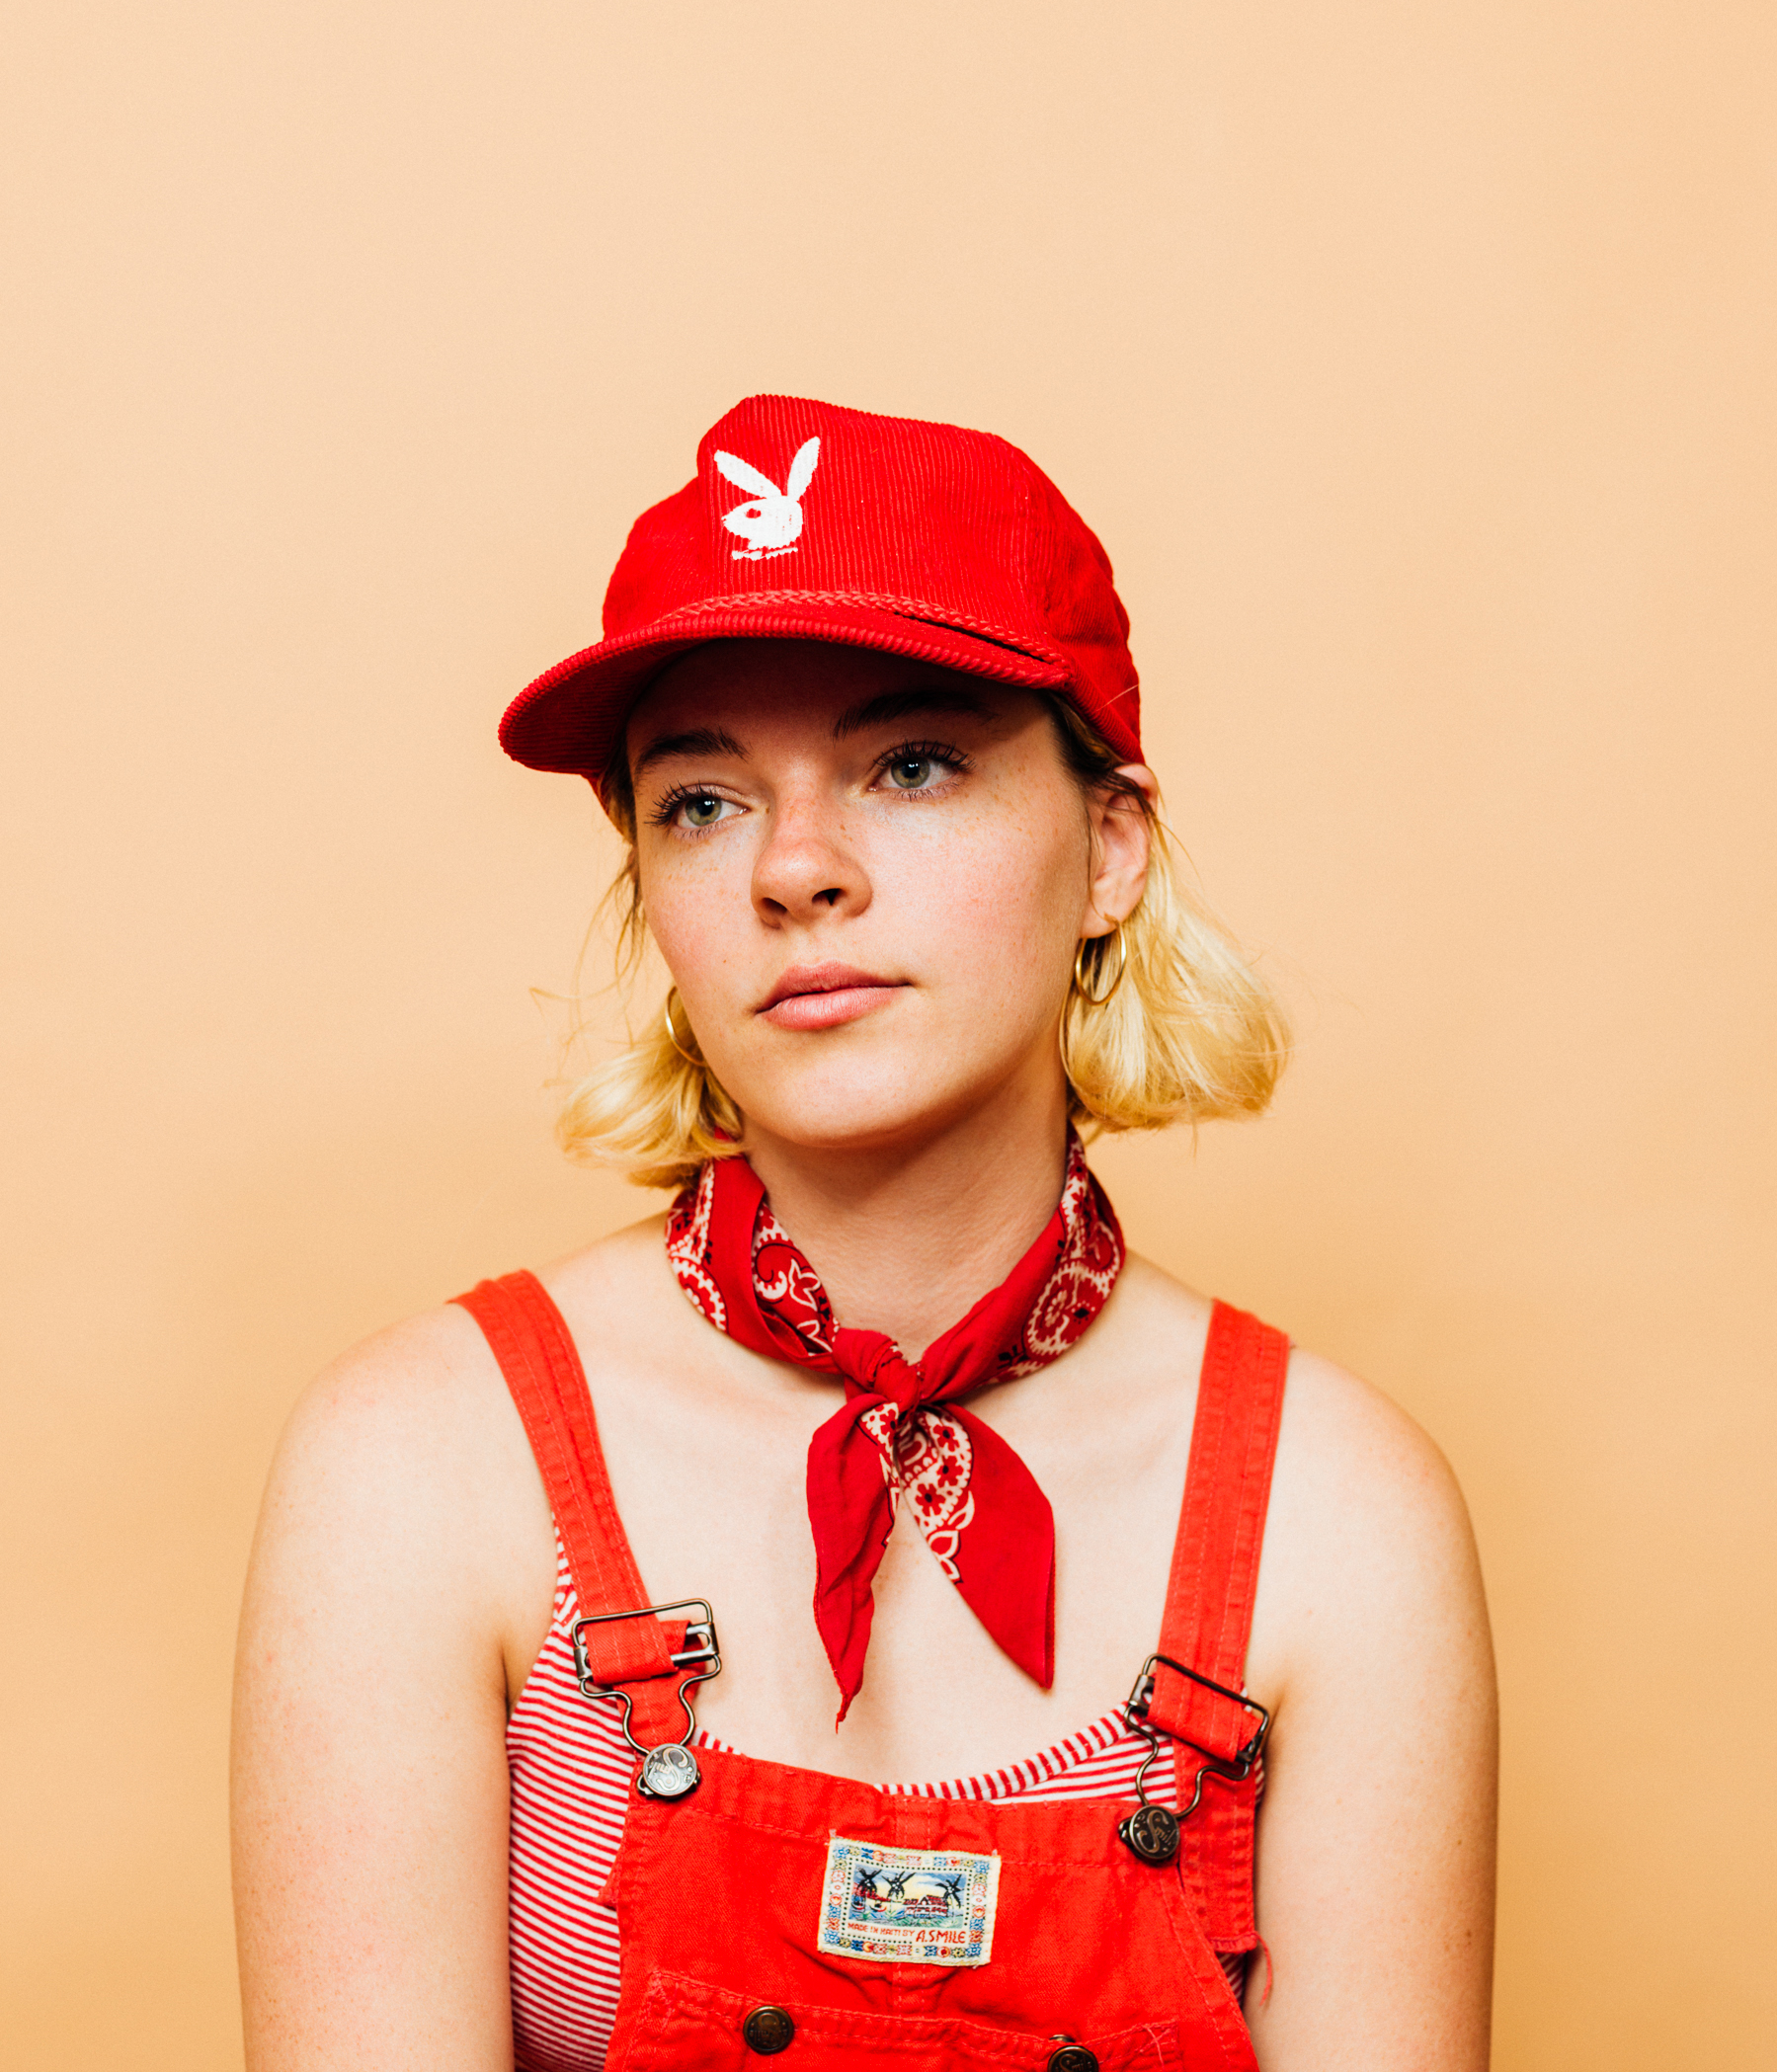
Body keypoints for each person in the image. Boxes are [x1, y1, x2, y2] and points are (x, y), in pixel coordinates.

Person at [231, 395, 1496, 2071]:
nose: (796, 869)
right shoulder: (418, 1463)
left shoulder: (1340, 1514)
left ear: (1110, 848)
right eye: (701, 801)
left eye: (912, 765)